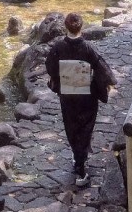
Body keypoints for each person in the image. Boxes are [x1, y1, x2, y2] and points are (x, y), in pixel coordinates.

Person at [45, 12, 117, 186]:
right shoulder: (87, 48)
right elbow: (101, 67)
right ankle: (80, 167)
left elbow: (50, 67)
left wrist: (56, 78)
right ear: (81, 27)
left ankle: (78, 155)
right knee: (86, 126)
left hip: (68, 94)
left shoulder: (58, 47)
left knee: (71, 125)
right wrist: (108, 82)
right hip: (86, 95)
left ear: (66, 26)